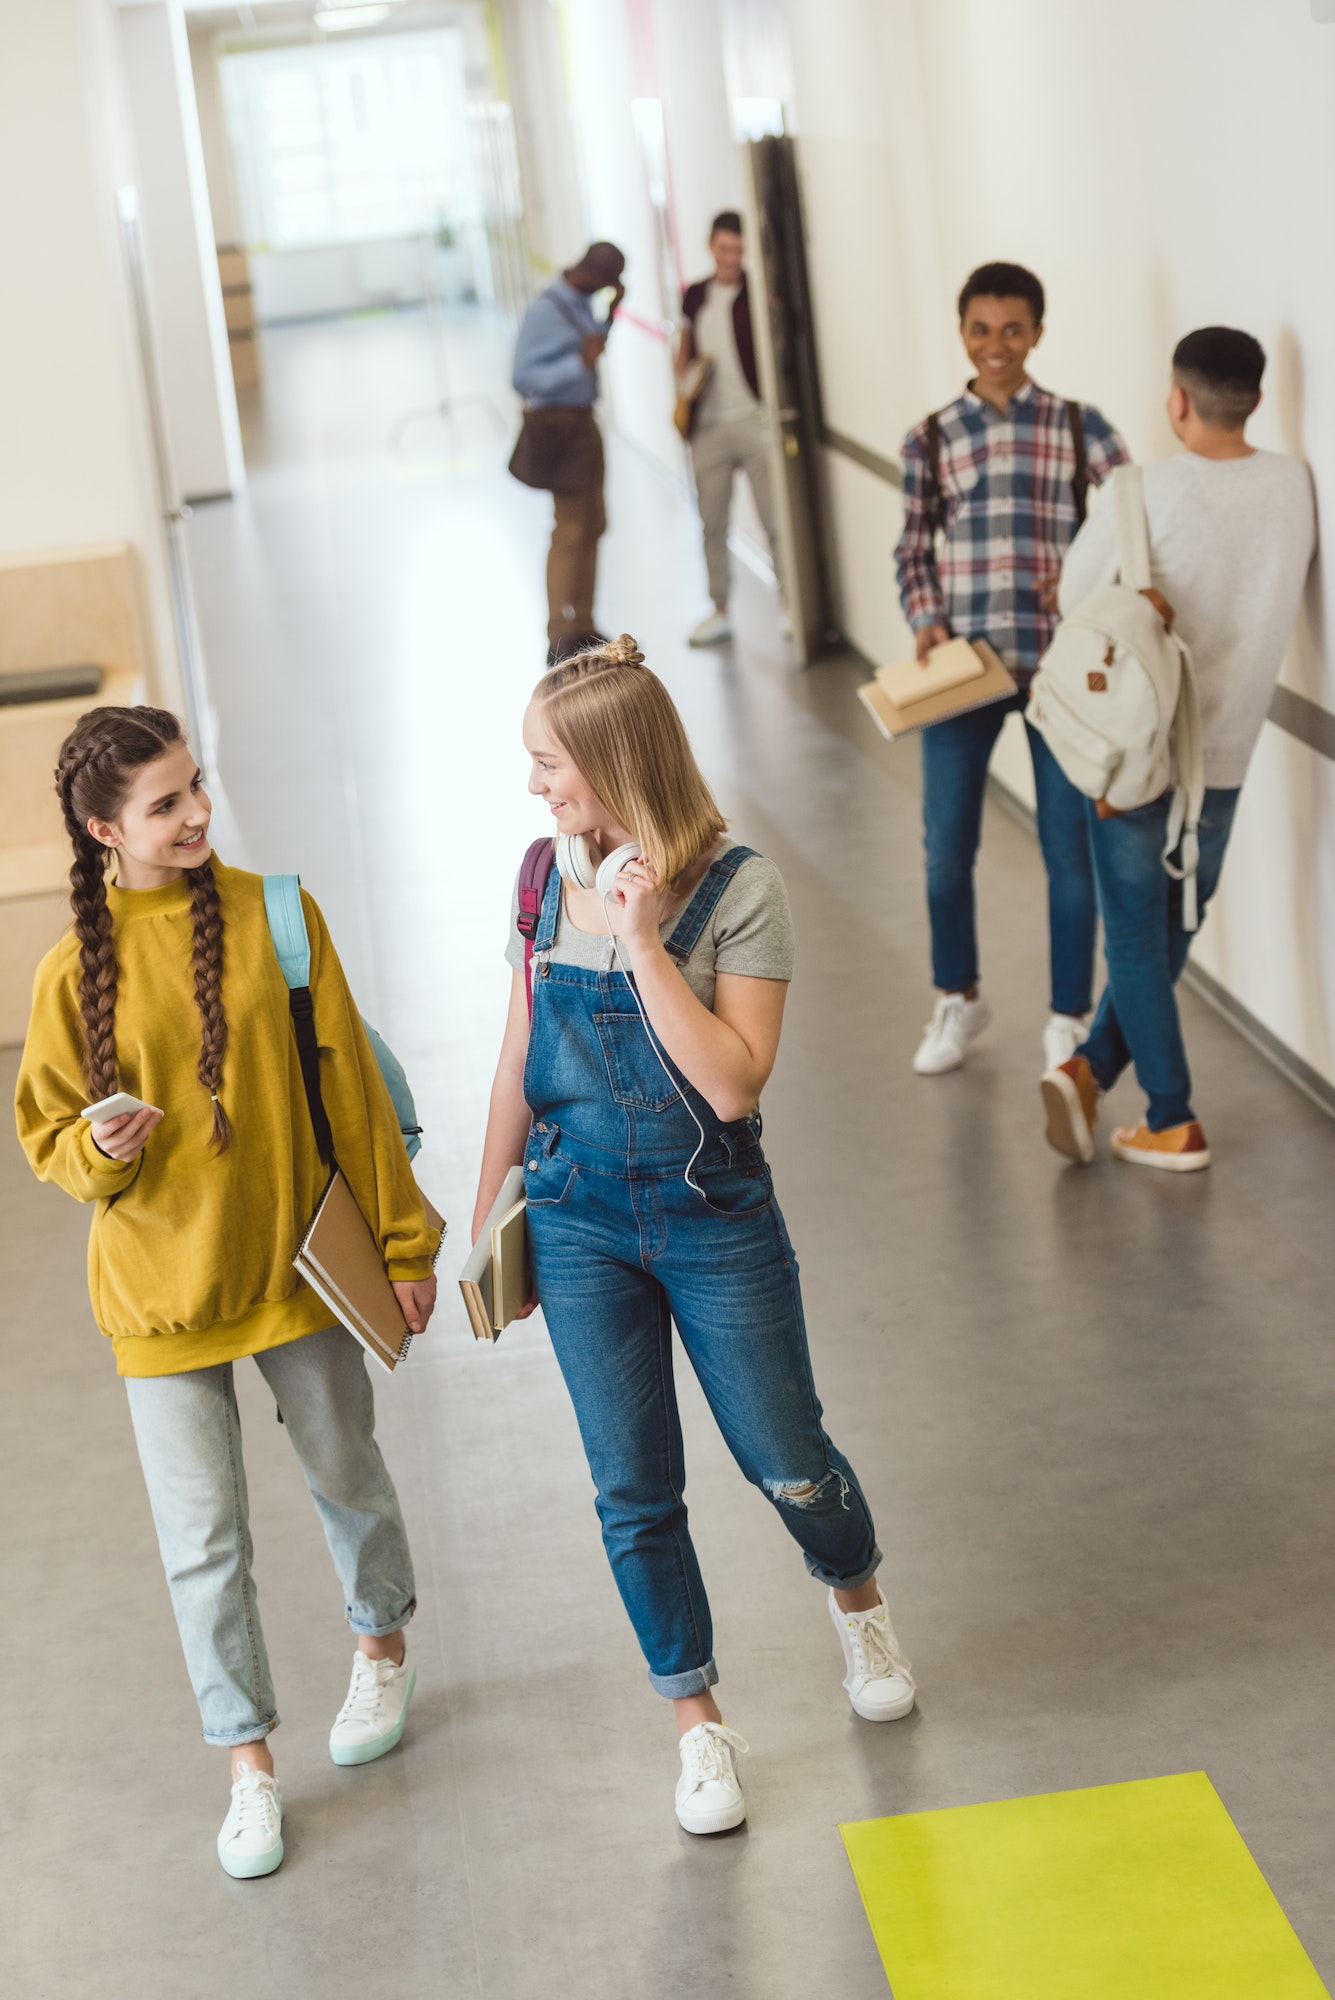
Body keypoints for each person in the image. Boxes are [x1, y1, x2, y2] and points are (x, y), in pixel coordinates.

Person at [472, 635, 916, 1836]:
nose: (536, 787)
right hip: (573, 1221)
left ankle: (856, 1595)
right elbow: (520, 1057)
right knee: (633, 1488)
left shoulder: (742, 888)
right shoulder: (533, 878)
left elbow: (731, 1083)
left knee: (789, 1453)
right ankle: (698, 1719)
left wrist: (642, 941)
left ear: (617, 762)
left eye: (549, 762)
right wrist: (486, 1221)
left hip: (713, 1213)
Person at [15, 706, 439, 1879]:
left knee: (345, 1470)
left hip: (294, 1267)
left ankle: (382, 1641)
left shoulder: (280, 915)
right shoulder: (67, 974)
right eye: (163, 803)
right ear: (105, 828)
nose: (195, 812)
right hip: (158, 1293)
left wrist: (403, 1243)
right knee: (202, 1541)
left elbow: (351, 1090)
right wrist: (103, 1147)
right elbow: (47, 1136)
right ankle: (247, 1761)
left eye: (195, 786)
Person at [1040, 328, 1316, 1172]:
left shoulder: (1139, 490)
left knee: (1132, 933)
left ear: (1176, 400)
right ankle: (1090, 1071)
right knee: (1171, 924)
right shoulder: (1290, 482)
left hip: (1136, 751)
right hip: (1225, 752)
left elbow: (1072, 599)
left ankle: (1172, 1117)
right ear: (1258, 401)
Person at [895, 261, 1130, 1078]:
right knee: (942, 850)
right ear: (961, 332)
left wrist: (1090, 583)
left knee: (1068, 854)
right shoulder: (928, 437)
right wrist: (925, 616)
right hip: (962, 671)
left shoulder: (1079, 427)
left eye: (1012, 329)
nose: (996, 345)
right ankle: (957, 999)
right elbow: (911, 545)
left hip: (1057, 670)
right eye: (980, 329)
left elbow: (1135, 523)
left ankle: (1067, 1017)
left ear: (1036, 332)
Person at [511, 241, 626, 664]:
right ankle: (559, 633)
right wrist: (576, 365)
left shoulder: (579, 302)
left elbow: (591, 346)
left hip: (582, 422)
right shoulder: (546, 310)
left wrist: (612, 314)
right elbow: (522, 378)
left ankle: (583, 622)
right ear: (594, 276)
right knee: (570, 529)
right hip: (558, 427)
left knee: (593, 523)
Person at [677, 211, 783, 646]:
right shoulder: (696, 296)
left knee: (774, 519)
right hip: (709, 427)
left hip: (753, 420)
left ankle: (791, 605)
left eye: (738, 250)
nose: (731, 258)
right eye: (724, 249)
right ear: (711, 246)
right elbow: (683, 352)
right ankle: (719, 608)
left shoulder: (757, 293)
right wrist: (684, 391)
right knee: (712, 522)